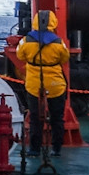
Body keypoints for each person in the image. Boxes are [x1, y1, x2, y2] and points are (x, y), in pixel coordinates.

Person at [17, 10, 71, 154]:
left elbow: (20, 55)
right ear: (53, 22)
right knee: (57, 118)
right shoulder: (59, 43)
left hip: (34, 84)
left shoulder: (25, 41)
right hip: (55, 84)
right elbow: (64, 58)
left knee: (35, 117)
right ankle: (57, 148)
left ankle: (35, 149)